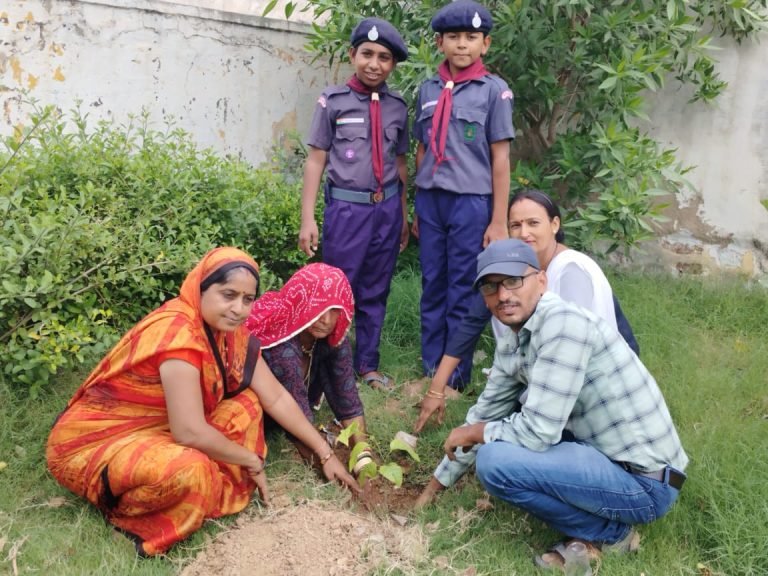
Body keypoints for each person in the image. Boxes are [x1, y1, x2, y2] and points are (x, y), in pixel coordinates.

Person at [46, 248, 358, 557]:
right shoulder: (178, 334)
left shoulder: (231, 333)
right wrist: (249, 460)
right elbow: (189, 432)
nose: (238, 308)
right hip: (96, 443)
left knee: (247, 406)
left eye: (247, 299)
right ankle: (131, 519)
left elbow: (274, 396)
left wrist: (325, 453)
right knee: (189, 470)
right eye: (228, 295)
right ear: (201, 288)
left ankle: (209, 488)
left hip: (163, 428)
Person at [415, 239, 688, 572]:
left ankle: (611, 534)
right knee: (499, 443)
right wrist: (432, 490)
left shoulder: (563, 324)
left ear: (541, 281)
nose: (503, 295)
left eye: (513, 280)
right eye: (490, 286)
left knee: (495, 462)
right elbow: (486, 412)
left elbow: (538, 431)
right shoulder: (515, 338)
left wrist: (475, 433)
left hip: (647, 483)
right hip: (607, 460)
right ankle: (602, 526)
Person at [414, 189, 639, 432]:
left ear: (554, 224)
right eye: (515, 225)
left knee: (504, 436)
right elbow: (470, 324)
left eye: (533, 223)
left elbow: (582, 346)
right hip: (547, 376)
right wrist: (436, 388)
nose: (524, 233)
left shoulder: (572, 269)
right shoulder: (512, 269)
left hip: (594, 385)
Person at [298, 17, 410, 391]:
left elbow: (400, 164)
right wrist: (308, 218)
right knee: (338, 288)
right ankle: (329, 365)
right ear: (352, 55)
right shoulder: (333, 101)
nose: (374, 64)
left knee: (376, 288)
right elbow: (316, 160)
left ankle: (368, 365)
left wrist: (403, 215)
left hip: (386, 210)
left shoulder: (398, 106)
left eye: (384, 57)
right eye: (367, 54)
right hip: (347, 211)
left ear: (392, 64)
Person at [412, 0, 514, 391]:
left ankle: (454, 378)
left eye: (471, 37)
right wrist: (417, 206)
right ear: (440, 43)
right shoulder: (428, 89)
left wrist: (498, 220)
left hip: (471, 203)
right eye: (453, 37)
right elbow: (422, 149)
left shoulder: (494, 92)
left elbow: (500, 159)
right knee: (432, 283)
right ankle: (430, 368)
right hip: (431, 200)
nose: (461, 44)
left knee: (461, 286)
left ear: (485, 44)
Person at [246, 263, 374, 476]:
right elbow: (295, 416)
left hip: (290, 403)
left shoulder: (331, 336)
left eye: (334, 310)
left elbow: (347, 397)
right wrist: (328, 461)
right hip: (265, 411)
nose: (325, 320)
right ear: (300, 302)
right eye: (318, 308)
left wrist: (363, 456)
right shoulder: (281, 349)